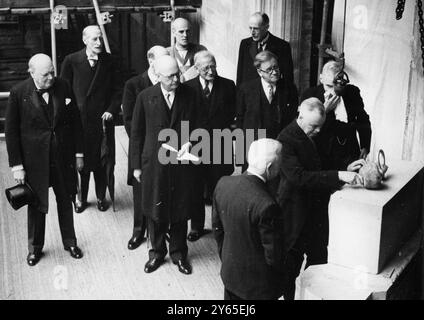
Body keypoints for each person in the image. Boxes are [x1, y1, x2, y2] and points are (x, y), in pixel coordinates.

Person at [276, 98, 363, 300]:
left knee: (317, 268)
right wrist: (339, 176)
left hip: (316, 217)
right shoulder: (285, 139)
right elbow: (299, 177)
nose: (317, 131)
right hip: (295, 217)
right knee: (290, 271)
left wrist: (344, 168)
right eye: (314, 126)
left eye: (320, 127)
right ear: (300, 116)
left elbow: (320, 163)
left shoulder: (313, 133)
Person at [5, 54, 84, 266]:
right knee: (36, 205)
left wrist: (79, 153)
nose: (51, 77)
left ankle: (70, 242)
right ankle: (35, 248)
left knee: (65, 201)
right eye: (45, 74)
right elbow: (11, 132)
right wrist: (17, 166)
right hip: (34, 163)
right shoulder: (18, 92)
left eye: (52, 72)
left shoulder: (64, 86)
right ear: (31, 73)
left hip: (62, 159)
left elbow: (76, 121)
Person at [130, 55, 198, 275]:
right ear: (158, 76)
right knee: (155, 210)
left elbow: (201, 126)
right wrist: (136, 167)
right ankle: (157, 253)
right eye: (170, 77)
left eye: (177, 74)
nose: (176, 80)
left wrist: (192, 143)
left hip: (182, 163)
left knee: (180, 209)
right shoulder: (144, 97)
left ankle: (179, 254)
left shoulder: (191, 95)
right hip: (154, 165)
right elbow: (137, 134)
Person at [212, 138, 285, 300]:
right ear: (270, 167)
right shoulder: (267, 205)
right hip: (258, 288)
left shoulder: (223, 184)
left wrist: (227, 258)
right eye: (280, 163)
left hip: (230, 275)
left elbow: (218, 231)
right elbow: (273, 256)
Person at [60, 25, 120, 213]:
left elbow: (118, 90)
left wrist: (111, 110)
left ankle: (102, 197)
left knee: (102, 161)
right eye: (94, 39)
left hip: (102, 121)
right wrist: (70, 114)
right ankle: (81, 198)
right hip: (80, 123)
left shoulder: (110, 61)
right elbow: (63, 91)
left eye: (100, 39)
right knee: (81, 162)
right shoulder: (71, 60)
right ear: (85, 40)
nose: (99, 43)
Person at [185, 50, 236, 242]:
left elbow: (233, 115)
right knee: (195, 188)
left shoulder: (228, 86)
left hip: (219, 146)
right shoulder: (187, 88)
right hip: (196, 147)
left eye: (213, 65)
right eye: (206, 67)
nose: (210, 70)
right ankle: (196, 227)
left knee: (219, 188)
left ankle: (219, 226)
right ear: (196, 68)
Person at [122, 45, 169, 250]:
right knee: (142, 192)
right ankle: (138, 231)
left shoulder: (171, 82)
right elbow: (130, 121)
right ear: (151, 61)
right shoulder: (134, 85)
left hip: (168, 148)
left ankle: (161, 231)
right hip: (145, 148)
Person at [302, 60, 372, 170]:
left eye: (337, 86)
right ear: (321, 79)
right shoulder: (310, 95)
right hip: (324, 156)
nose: (333, 92)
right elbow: (304, 128)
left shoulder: (352, 92)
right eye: (329, 86)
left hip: (350, 151)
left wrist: (365, 146)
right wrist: (324, 110)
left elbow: (363, 119)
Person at [236, 50, 298, 171]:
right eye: (269, 69)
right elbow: (240, 120)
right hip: (253, 146)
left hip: (279, 146)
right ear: (259, 72)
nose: (275, 72)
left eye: (276, 67)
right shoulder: (246, 89)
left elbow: (292, 118)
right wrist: (240, 154)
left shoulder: (289, 88)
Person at [236, 12, 294, 87]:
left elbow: (288, 77)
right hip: (249, 94)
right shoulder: (245, 44)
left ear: (267, 27)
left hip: (271, 93)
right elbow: (240, 74)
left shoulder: (282, 46)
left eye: (256, 28)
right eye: (250, 28)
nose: (252, 32)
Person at [167, 17, 206, 82]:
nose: (185, 35)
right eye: (181, 32)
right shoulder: (167, 53)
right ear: (173, 32)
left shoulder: (201, 50)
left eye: (187, 31)